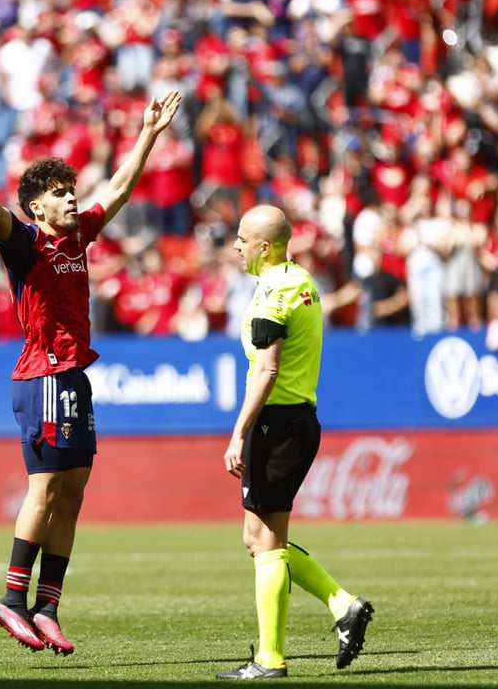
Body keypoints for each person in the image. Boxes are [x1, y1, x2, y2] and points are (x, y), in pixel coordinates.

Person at [0, 89, 182, 656]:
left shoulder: (79, 236)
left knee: (73, 493)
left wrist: (149, 132)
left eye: (71, 190)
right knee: (45, 487)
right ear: (36, 208)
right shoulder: (23, 243)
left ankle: (48, 607)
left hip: (74, 375)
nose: (71, 198)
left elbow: (121, 188)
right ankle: (11, 599)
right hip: (42, 376)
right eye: (59, 193)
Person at [219, 205, 373, 680]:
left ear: (265, 246)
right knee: (257, 539)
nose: (236, 246)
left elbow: (266, 369)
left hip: (278, 424)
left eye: (243, 238)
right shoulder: (300, 279)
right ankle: (342, 604)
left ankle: (270, 659)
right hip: (293, 420)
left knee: (267, 545)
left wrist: (239, 432)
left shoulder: (274, 290)